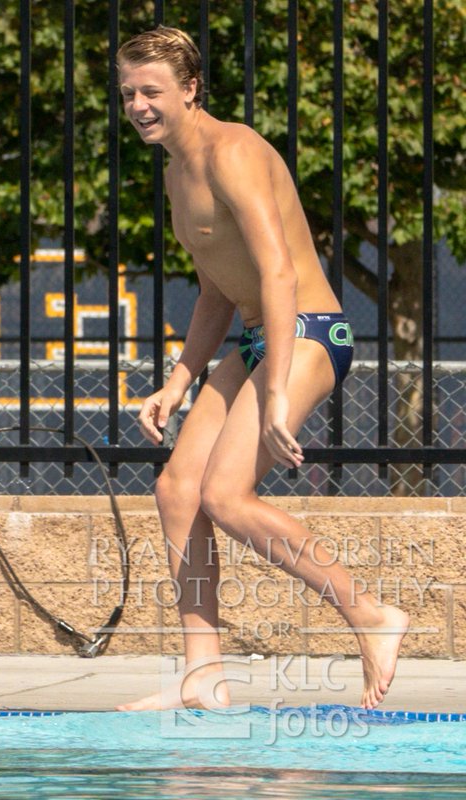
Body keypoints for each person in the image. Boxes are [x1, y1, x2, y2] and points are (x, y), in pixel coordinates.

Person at [114, 27, 408, 711]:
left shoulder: (234, 150)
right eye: (128, 92)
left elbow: (276, 270)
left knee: (226, 495)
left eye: (151, 91)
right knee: (178, 488)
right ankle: (202, 674)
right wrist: (180, 380)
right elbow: (219, 287)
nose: (137, 105)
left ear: (190, 89)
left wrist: (275, 393)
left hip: (306, 331)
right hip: (253, 340)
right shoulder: (174, 174)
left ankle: (370, 614)